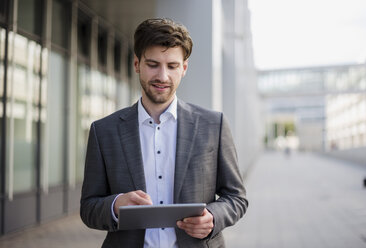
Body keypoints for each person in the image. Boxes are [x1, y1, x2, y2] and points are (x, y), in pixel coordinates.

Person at [80, 18, 248, 248]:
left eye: (172, 66)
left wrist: (213, 217)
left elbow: (236, 197)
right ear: (137, 64)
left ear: (184, 68)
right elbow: (88, 208)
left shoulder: (213, 125)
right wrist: (116, 204)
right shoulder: (103, 131)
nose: (162, 76)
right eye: (153, 64)